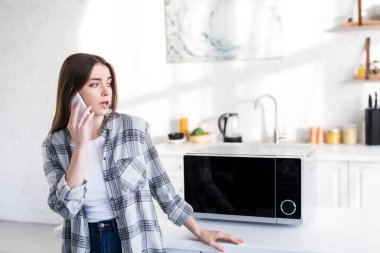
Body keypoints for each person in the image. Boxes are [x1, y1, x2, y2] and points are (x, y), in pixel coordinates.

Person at [41, 53, 244, 253]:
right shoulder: (53, 145)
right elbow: (67, 208)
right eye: (94, 84)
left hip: (134, 239)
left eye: (109, 83)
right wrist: (81, 147)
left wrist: (199, 230)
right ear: (72, 92)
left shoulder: (134, 129)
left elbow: (162, 187)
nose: (106, 91)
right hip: (84, 242)